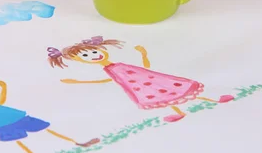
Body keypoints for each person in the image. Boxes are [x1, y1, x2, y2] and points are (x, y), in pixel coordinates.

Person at [48, 36, 233, 123]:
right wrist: (78, 83)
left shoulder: (118, 64)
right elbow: (106, 82)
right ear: (82, 61)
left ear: (102, 50)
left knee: (177, 90)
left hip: (151, 79)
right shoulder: (108, 70)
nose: (93, 56)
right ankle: (180, 113)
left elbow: (144, 67)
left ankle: (214, 99)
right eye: (87, 56)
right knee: (164, 98)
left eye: (94, 52)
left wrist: (143, 53)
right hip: (138, 87)